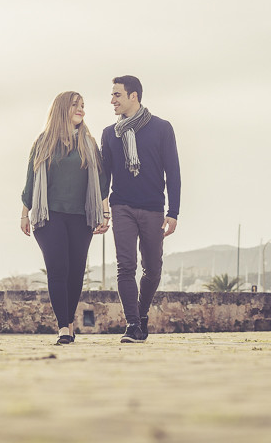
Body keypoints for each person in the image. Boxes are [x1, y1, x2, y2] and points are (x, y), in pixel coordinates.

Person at [21, 91, 110, 345]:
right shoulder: (43, 142)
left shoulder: (89, 143)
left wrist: (105, 212)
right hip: (49, 216)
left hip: (81, 216)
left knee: (76, 272)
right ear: (62, 109)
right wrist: (25, 213)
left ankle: (70, 321)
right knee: (58, 270)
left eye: (83, 106)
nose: (81, 109)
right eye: (75, 105)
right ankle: (63, 327)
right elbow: (30, 179)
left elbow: (102, 182)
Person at [101, 75, 180, 343]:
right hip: (121, 206)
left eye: (117, 95)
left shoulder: (162, 128)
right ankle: (132, 324)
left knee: (153, 269)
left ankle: (142, 314)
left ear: (133, 96)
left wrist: (174, 212)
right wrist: (103, 207)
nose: (112, 100)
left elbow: (174, 172)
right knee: (125, 266)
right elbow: (104, 176)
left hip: (154, 209)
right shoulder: (109, 134)